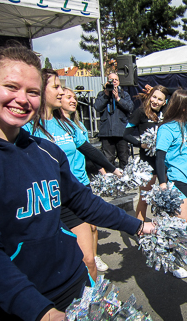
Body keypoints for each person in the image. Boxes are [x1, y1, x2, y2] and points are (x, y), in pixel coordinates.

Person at [0, 45, 153, 320]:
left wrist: (139, 226)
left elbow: (82, 202)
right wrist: (45, 313)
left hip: (76, 288)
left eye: (32, 92)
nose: (22, 99)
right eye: (11, 87)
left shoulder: (46, 151)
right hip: (16, 306)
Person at [24, 69, 124, 280]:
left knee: (88, 259)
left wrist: (113, 169)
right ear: (40, 90)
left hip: (75, 194)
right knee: (57, 264)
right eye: (56, 87)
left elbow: (88, 149)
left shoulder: (66, 124)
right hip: (47, 202)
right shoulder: (26, 126)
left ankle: (92, 307)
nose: (61, 91)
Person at [60, 87, 113, 273]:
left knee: (92, 225)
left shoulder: (79, 127)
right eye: (68, 97)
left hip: (83, 183)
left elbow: (88, 153)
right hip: (63, 188)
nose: (73, 100)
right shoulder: (47, 126)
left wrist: (103, 169)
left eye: (74, 97)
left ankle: (94, 256)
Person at [155, 89, 187, 278]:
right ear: (182, 105)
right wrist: (162, 183)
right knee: (180, 223)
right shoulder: (166, 128)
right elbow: (159, 157)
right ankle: (174, 260)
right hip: (178, 180)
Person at [124, 85, 169, 222]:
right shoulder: (141, 112)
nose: (155, 101)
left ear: (165, 102)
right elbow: (126, 134)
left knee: (165, 197)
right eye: (153, 97)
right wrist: (140, 144)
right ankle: (140, 228)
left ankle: (165, 228)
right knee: (144, 198)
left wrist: (161, 90)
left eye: (160, 99)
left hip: (164, 162)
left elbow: (178, 91)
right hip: (147, 163)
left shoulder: (167, 112)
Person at [94, 73, 134, 170]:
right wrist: (106, 95)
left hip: (121, 132)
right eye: (111, 80)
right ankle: (110, 181)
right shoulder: (102, 94)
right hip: (106, 132)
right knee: (108, 159)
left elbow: (130, 108)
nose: (114, 81)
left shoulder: (124, 94)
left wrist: (118, 99)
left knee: (124, 158)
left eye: (115, 79)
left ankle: (125, 180)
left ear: (119, 82)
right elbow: (97, 107)